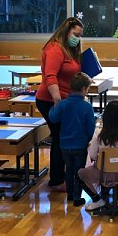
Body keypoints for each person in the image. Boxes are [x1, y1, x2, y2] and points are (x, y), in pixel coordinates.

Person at [35, 16, 84, 191]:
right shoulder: (55, 48)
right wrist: (58, 101)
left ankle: (61, 175)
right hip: (50, 100)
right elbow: (50, 76)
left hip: (64, 99)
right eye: (75, 34)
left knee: (62, 136)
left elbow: (72, 72)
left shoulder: (69, 49)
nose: (77, 38)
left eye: (79, 36)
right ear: (66, 31)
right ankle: (56, 180)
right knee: (60, 137)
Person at [48, 73, 96, 206]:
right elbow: (90, 127)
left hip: (64, 145)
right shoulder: (87, 107)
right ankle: (77, 197)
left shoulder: (63, 104)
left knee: (68, 170)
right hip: (80, 144)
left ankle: (69, 193)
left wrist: (53, 107)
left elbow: (53, 118)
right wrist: (88, 139)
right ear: (84, 88)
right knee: (79, 172)